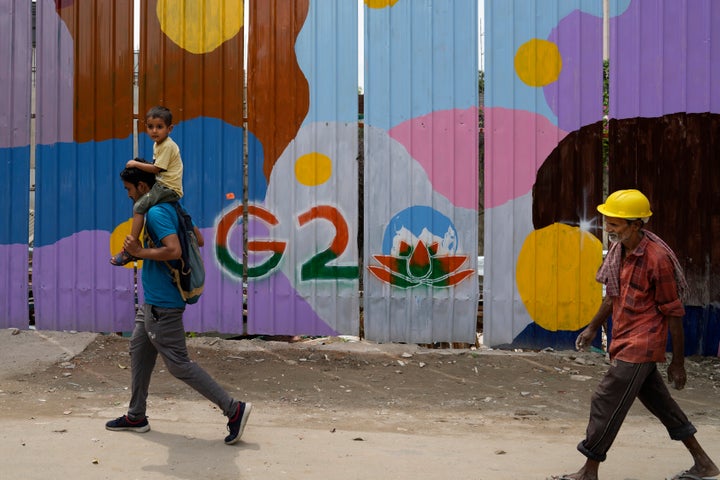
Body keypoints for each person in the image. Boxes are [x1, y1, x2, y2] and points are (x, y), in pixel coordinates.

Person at [551, 189, 718, 480]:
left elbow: (674, 313)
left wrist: (678, 362)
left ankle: (589, 470)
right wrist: (592, 328)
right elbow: (612, 295)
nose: (608, 229)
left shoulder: (657, 259)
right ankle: (703, 463)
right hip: (624, 339)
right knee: (662, 406)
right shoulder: (620, 249)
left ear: (636, 225)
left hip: (642, 343)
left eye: (615, 224)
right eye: (607, 222)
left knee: (606, 400)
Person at [105, 163, 251, 445]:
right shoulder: (173, 207)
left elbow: (174, 250)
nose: (128, 195)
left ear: (143, 188)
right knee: (139, 351)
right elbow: (198, 238)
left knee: (179, 365)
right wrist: (141, 254)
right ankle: (136, 416)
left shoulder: (157, 213)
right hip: (153, 303)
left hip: (163, 304)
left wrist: (139, 252)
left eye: (129, 190)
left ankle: (234, 410)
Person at [111, 106, 184, 266]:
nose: (154, 131)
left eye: (159, 127)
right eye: (150, 127)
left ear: (170, 129)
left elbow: (156, 168)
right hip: (164, 185)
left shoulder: (167, 145)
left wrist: (134, 163)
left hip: (167, 187)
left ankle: (131, 247)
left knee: (139, 206)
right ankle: (133, 247)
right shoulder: (158, 144)